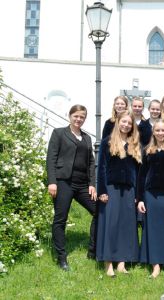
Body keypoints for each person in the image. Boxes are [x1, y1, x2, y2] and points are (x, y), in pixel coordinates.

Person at [46, 104, 97, 271]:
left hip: (82, 184)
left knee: (99, 211)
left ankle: (93, 250)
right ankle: (62, 257)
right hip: (63, 182)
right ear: (70, 116)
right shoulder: (59, 133)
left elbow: (91, 163)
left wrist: (92, 185)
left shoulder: (87, 138)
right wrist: (52, 181)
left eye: (82, 117)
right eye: (76, 116)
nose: (79, 119)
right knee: (60, 219)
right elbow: (51, 159)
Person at [96, 111, 141, 277]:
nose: (126, 125)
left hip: (129, 190)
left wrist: (138, 193)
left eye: (129, 123)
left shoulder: (134, 143)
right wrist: (102, 191)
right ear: (118, 122)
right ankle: (109, 264)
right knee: (111, 224)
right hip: (111, 189)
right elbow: (101, 168)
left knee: (126, 225)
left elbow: (138, 171)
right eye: (123, 122)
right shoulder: (108, 141)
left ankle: (122, 264)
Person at [137, 119, 164, 281]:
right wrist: (140, 199)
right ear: (153, 132)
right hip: (151, 196)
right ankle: (156, 267)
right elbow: (141, 177)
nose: (161, 133)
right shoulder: (147, 150)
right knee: (153, 231)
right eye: (158, 130)